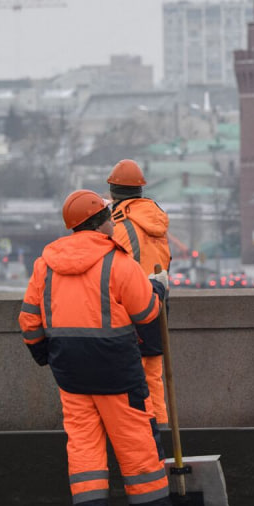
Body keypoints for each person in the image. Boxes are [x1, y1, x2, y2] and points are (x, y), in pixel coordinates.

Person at [18, 190, 194, 506]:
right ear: (101, 224)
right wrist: (156, 289)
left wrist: (44, 355)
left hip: (70, 371)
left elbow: (29, 321)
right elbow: (145, 313)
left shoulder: (45, 264)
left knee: (83, 447)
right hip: (116, 369)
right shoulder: (118, 262)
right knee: (136, 443)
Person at [106, 158, 173, 456]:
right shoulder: (156, 220)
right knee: (154, 376)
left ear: (112, 191)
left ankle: (141, 442)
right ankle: (162, 436)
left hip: (130, 309)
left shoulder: (119, 226)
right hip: (158, 304)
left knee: (128, 380)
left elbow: (112, 269)